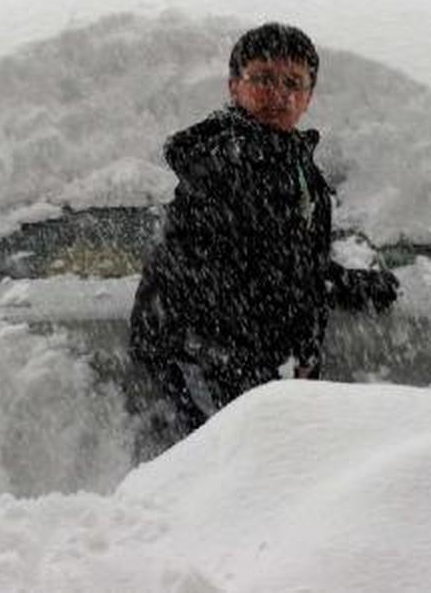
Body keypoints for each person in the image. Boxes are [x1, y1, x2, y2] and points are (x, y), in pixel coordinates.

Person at [130, 23, 399, 436]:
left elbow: (290, 259)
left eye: (293, 83)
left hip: (255, 374)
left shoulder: (291, 160)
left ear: (309, 97)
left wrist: (346, 286)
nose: (278, 94)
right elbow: (223, 274)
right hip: (212, 372)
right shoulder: (224, 161)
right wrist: (271, 365)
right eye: (263, 79)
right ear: (234, 86)